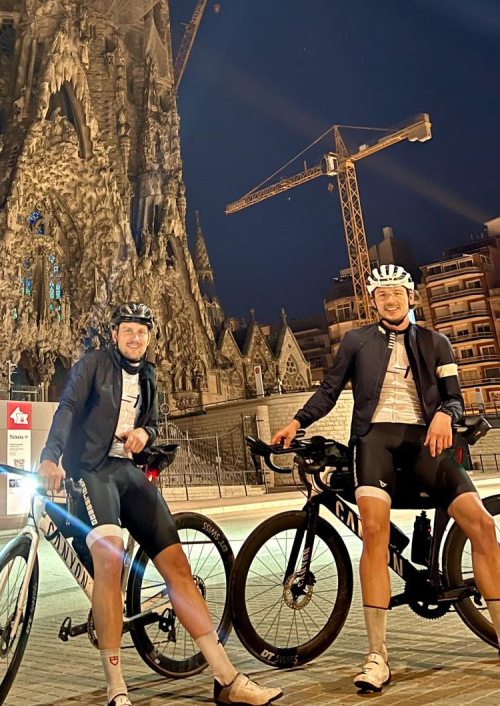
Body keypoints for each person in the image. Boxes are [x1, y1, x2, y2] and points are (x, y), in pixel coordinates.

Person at [39, 302, 282, 706]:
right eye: (128, 331)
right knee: (110, 558)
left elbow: (152, 422)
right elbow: (67, 409)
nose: (135, 338)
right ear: (114, 335)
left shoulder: (149, 375)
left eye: (142, 332)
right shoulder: (93, 365)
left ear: (149, 337)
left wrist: (145, 436)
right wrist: (50, 456)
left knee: (178, 568)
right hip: (90, 471)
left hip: (127, 472)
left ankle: (226, 678)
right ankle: (116, 685)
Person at [271, 264, 500, 692]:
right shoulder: (357, 341)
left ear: (411, 297)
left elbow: (454, 399)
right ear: (373, 302)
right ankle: (377, 656)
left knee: (483, 526)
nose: (390, 300)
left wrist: (445, 415)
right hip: (374, 440)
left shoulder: (438, 342)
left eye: (397, 293)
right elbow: (329, 390)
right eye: (382, 295)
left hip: (427, 440)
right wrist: (297, 422)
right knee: (374, 533)